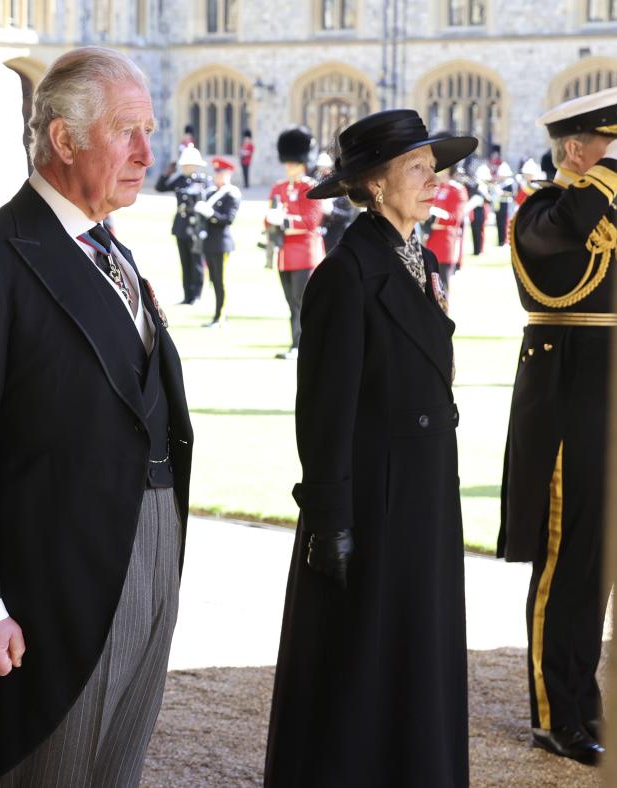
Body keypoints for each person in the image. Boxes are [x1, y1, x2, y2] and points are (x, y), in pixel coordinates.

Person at [0, 46, 193, 788]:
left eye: (150, 129)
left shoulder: (118, 252)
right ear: (64, 140)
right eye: (126, 130)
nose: (148, 151)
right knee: (52, 768)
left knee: (116, 770)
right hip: (54, 570)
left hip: (151, 542)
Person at [264, 109, 477, 787]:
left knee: (418, 654)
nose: (434, 181)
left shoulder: (420, 256)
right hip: (374, 506)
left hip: (421, 496)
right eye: (418, 169)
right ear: (377, 186)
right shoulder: (345, 276)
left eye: (433, 168)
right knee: (363, 668)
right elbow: (323, 412)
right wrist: (330, 519)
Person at [498, 84, 617, 767]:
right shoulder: (541, 213)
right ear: (578, 151)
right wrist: (611, 173)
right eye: (614, 146)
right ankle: (558, 715)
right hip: (567, 407)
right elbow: (572, 227)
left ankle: (589, 700)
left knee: (603, 565)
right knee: (567, 564)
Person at [266, 127, 327, 360]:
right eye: (288, 162)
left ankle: (305, 345)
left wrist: (285, 220)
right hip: (285, 254)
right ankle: (297, 343)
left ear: (303, 163)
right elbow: (270, 218)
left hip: (305, 253)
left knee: (304, 303)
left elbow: (311, 221)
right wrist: (271, 220)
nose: (289, 166)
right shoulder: (279, 188)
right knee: (292, 303)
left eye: (294, 163)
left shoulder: (310, 188)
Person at [155, 144, 211, 303]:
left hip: (196, 226)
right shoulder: (179, 179)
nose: (185, 167)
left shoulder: (204, 181)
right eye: (184, 164)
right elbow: (160, 187)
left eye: (188, 164)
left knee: (196, 262)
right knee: (185, 262)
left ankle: (196, 295)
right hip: (181, 225)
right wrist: (167, 173)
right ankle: (187, 296)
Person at [195, 156, 242, 326]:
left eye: (221, 173)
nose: (218, 176)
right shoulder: (211, 193)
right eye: (217, 173)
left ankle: (220, 316)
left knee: (221, 281)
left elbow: (228, 219)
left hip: (222, 243)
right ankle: (218, 314)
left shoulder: (231, 194)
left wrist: (211, 214)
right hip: (209, 242)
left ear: (228, 174)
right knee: (213, 280)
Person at [423, 163, 470, 296]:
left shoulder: (457, 190)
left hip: (444, 244)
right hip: (429, 242)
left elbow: (455, 218)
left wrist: (434, 214)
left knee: (441, 288)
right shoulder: (434, 188)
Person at [314, 152, 359, 255]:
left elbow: (348, 215)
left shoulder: (344, 191)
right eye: (320, 168)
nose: (323, 171)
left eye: (325, 168)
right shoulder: (318, 183)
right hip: (323, 231)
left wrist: (331, 211)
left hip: (339, 233)